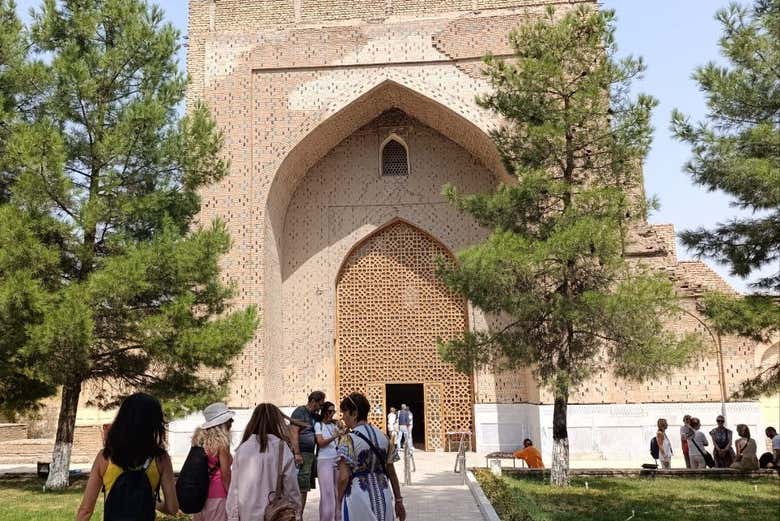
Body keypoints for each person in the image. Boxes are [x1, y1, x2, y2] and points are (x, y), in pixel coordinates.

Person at [76, 393, 178, 520]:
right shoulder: (161, 459)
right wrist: (151, 501)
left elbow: (86, 510)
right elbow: (173, 508)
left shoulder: (105, 457)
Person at [337, 393, 406, 521]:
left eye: (344, 413)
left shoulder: (348, 440)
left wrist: (338, 502)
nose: (343, 417)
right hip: (384, 494)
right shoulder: (384, 437)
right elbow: (392, 473)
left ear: (354, 413)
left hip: (358, 497)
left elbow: (343, 477)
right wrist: (398, 500)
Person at [226, 403, 301, 520]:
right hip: (275, 515)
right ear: (276, 422)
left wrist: (233, 517)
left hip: (247, 515)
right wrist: (297, 512)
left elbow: (234, 489)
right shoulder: (282, 448)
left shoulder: (243, 449)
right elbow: (291, 488)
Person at [192, 402, 234, 521]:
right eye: (229, 420)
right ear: (222, 423)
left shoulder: (199, 440)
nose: (232, 422)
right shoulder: (222, 442)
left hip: (199, 496)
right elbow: (225, 475)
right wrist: (233, 497)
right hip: (217, 496)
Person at [290, 390, 326, 515]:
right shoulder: (300, 412)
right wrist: (297, 453)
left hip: (310, 455)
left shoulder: (313, 415)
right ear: (312, 401)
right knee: (301, 486)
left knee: (305, 487)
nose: (320, 407)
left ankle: (300, 513)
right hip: (302, 454)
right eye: (320, 404)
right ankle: (298, 514)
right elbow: (293, 432)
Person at [315, 401, 344, 521]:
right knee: (327, 493)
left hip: (336, 459)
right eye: (330, 411)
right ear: (324, 412)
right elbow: (321, 443)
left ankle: (338, 517)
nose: (332, 414)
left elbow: (342, 439)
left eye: (334, 411)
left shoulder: (334, 425)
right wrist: (335, 436)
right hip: (324, 460)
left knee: (338, 492)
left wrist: (342, 431)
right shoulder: (318, 425)